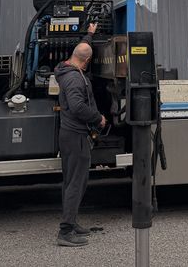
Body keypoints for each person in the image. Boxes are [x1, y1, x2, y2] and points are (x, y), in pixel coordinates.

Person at [54, 24, 106, 247]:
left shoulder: (65, 68)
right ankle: (65, 232)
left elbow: (82, 49)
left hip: (68, 135)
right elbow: (77, 107)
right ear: (86, 62)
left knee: (71, 181)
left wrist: (90, 34)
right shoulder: (75, 79)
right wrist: (98, 118)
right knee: (77, 182)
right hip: (76, 136)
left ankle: (71, 221)